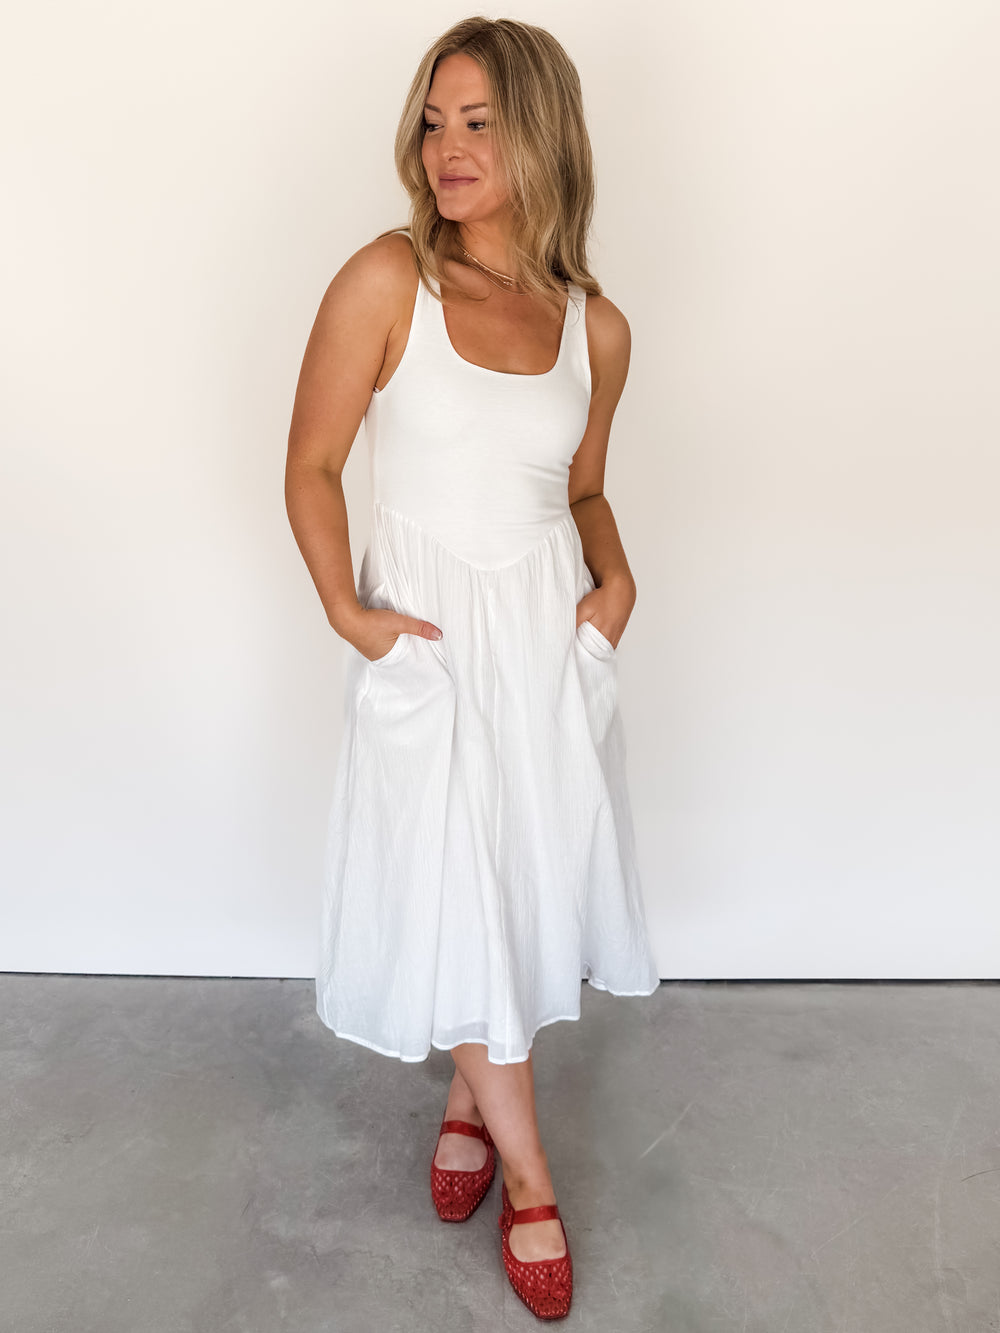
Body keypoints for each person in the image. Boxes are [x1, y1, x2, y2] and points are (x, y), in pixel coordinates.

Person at [285, 16, 659, 1321]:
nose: (448, 147)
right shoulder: (389, 281)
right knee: (451, 879)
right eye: (435, 121)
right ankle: (533, 1175)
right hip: (431, 646)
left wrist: (617, 581)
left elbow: (585, 487)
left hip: (546, 641)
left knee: (517, 884)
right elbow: (313, 462)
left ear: (540, 133)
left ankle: (466, 1100)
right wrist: (349, 612)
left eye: (480, 122)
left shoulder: (597, 328)